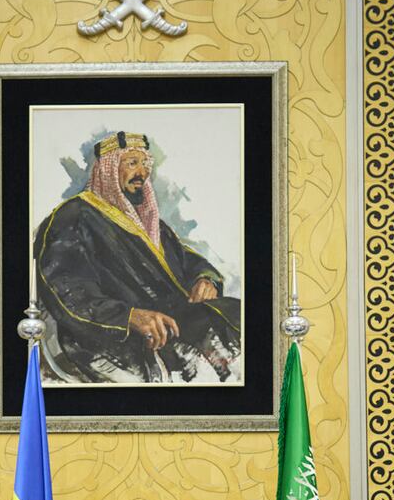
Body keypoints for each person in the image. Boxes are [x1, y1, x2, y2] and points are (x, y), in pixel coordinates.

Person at [33, 130, 243, 384]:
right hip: (111, 339)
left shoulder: (149, 223)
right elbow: (68, 291)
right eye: (132, 163)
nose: (142, 173)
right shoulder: (73, 217)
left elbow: (184, 259)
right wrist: (129, 317)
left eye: (145, 164)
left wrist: (205, 279)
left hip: (172, 324)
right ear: (107, 170)